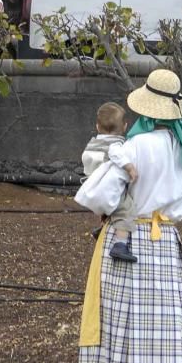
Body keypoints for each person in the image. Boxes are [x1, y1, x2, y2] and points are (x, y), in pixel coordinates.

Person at [72, 69, 182, 363]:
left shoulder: (135, 146)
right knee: (168, 340)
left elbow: (97, 195)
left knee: (124, 337)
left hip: (129, 245)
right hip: (166, 246)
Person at [81, 102, 138, 262]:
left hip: (92, 186)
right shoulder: (116, 145)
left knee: (109, 211)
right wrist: (130, 168)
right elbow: (116, 154)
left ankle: (102, 230)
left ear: (97, 126)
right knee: (125, 210)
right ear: (125, 126)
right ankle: (119, 245)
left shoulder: (93, 142)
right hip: (107, 187)